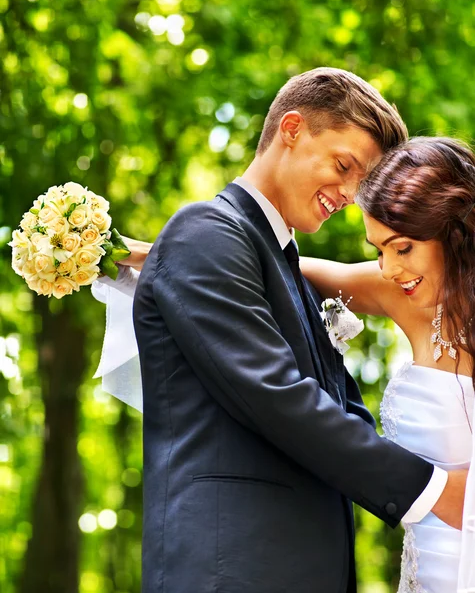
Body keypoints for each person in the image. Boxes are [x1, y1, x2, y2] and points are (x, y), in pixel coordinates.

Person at [94, 68, 466, 593]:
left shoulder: (270, 262)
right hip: (233, 569)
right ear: (291, 129)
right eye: (344, 166)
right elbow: (278, 397)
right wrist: (435, 491)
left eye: (363, 181)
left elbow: (338, 408)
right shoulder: (206, 232)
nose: (351, 194)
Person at [300, 136, 475, 592]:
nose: (388, 270)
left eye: (401, 248)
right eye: (379, 250)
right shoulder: (404, 291)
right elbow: (270, 265)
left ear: (452, 230)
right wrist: (121, 250)